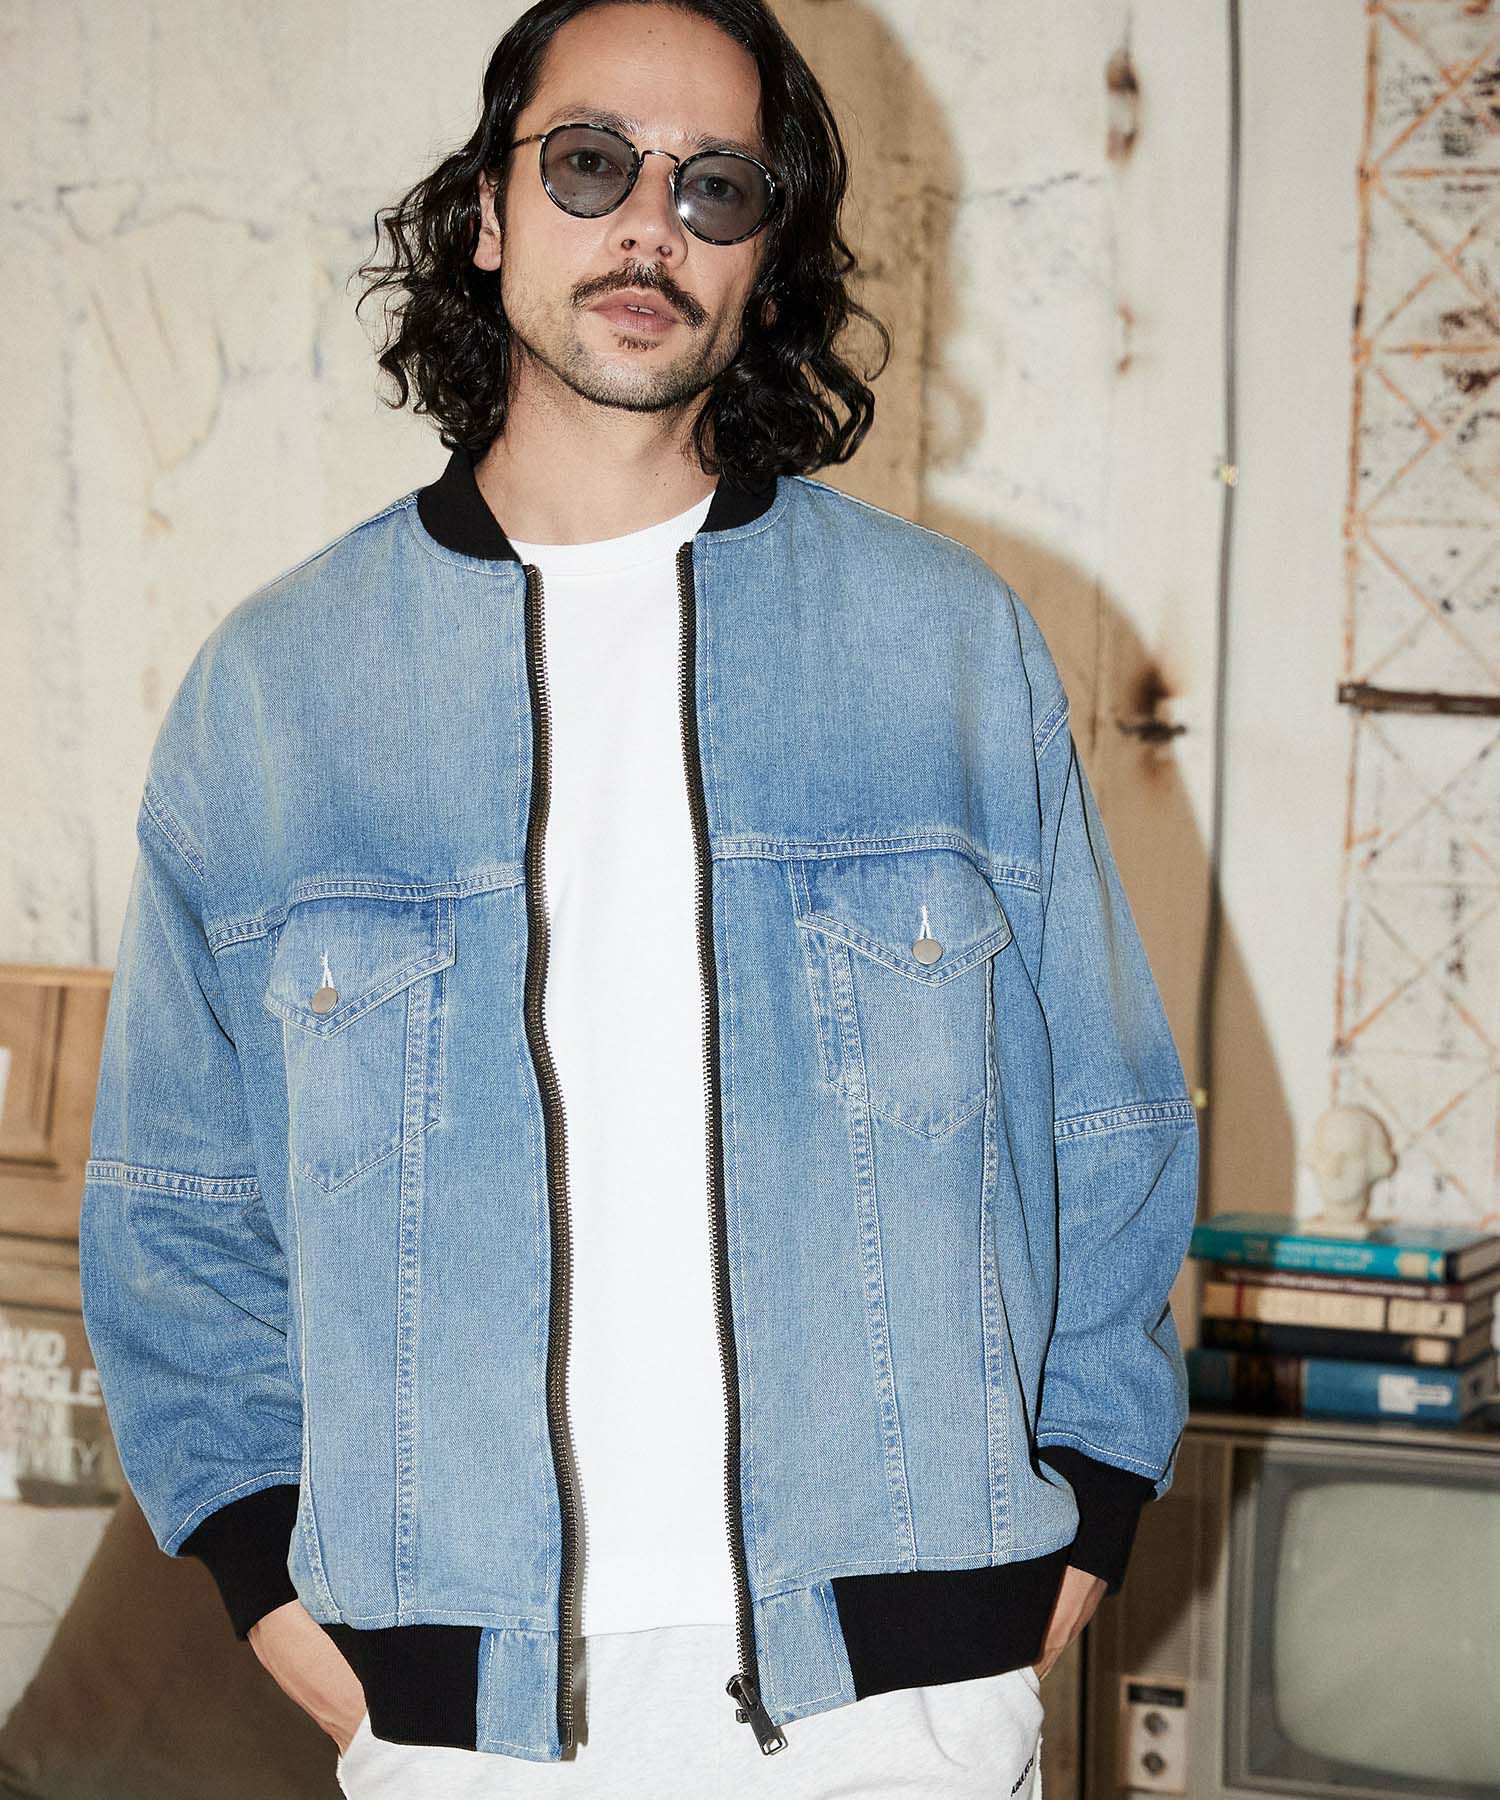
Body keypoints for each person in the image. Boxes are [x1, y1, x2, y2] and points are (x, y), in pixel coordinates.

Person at [78, 1, 1200, 1795]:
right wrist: (278, 1595)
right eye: (592, 164)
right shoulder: (279, 698)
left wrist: (1079, 1524)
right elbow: (175, 1209)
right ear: (488, 213)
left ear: (767, 253)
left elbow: (1113, 1128)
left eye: (716, 185)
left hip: (898, 1709)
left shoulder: (941, 653)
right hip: (462, 1719)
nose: (650, 226)